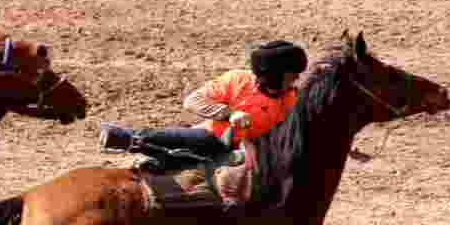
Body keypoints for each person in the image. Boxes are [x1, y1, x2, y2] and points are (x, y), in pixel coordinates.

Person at [99, 40, 307, 160]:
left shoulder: (292, 99)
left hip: (257, 153)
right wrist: (229, 114)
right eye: (292, 74)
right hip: (214, 138)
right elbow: (194, 100)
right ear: (275, 74)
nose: (297, 78)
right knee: (191, 139)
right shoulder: (237, 80)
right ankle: (128, 137)